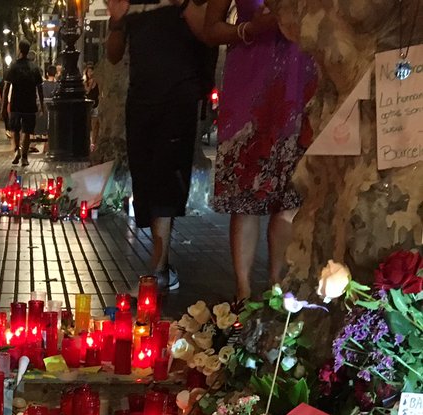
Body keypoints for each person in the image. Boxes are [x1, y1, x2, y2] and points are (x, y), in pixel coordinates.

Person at [203, 0, 316, 302]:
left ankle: (279, 284)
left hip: (302, 76)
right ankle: (243, 291)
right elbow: (210, 28)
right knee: (245, 195)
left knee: (294, 192)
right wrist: (250, 28)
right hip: (250, 82)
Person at [105, 0, 206, 292]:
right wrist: (116, 21)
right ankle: (161, 265)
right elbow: (113, 55)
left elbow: (206, 33)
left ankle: (159, 269)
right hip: (141, 99)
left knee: (165, 181)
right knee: (145, 180)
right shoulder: (130, 3)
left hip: (178, 97)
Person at [1, 40, 43, 169]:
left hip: (16, 103)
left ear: (19, 50)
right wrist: (41, 103)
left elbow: (6, 87)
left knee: (15, 129)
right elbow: (39, 88)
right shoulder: (34, 67)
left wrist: (3, 106)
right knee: (27, 131)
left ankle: (17, 151)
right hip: (30, 103)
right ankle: (24, 157)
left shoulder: (13, 67)